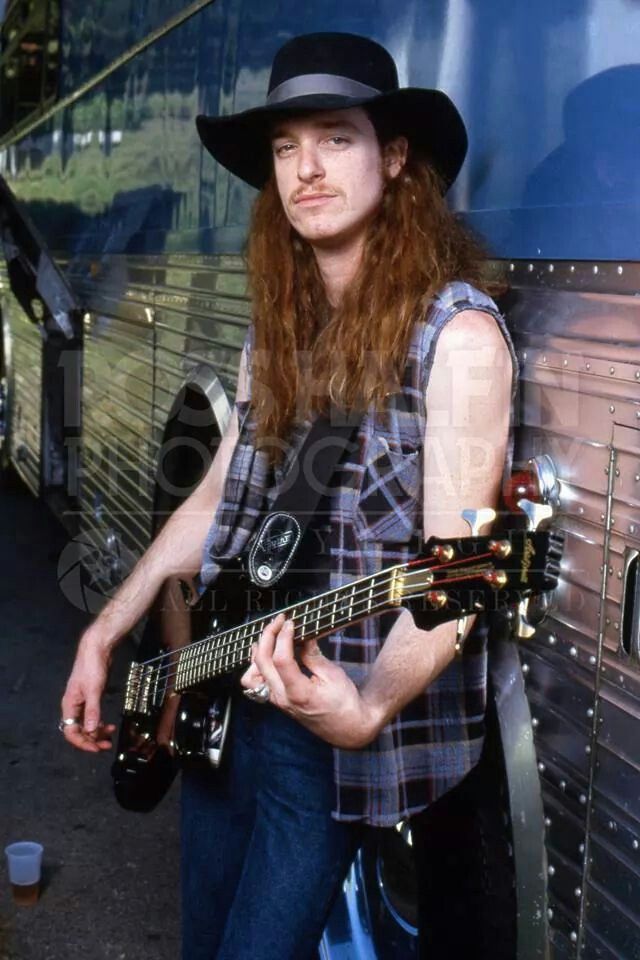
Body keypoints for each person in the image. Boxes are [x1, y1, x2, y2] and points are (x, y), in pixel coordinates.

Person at [60, 32, 516, 960]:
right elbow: (217, 499)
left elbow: (453, 580)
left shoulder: (458, 341)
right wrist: (112, 622)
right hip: (227, 695)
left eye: (335, 138)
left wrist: (369, 708)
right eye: (284, 147)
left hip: (330, 726)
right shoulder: (283, 331)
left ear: (393, 156)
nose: (304, 169)